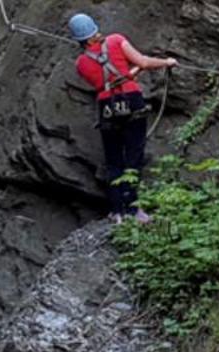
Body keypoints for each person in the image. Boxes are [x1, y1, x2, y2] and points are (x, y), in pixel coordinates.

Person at [69, 12, 176, 220]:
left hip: (107, 108)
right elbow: (143, 62)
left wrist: (126, 74)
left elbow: (104, 82)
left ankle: (117, 210)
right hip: (131, 100)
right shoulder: (116, 40)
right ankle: (133, 209)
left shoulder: (80, 63)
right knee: (133, 156)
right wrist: (167, 62)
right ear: (94, 27)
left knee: (113, 160)